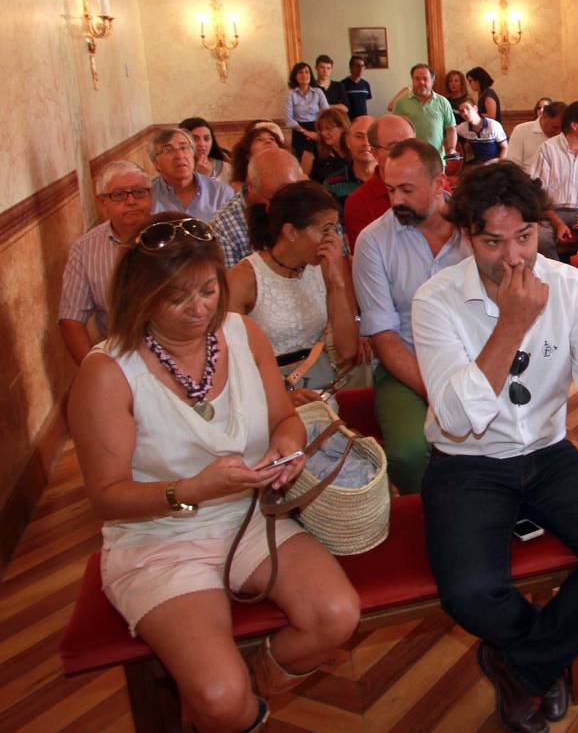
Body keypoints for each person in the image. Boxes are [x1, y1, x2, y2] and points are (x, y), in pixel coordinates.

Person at [68, 212, 359, 732]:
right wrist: (194, 489)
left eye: (208, 291)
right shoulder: (108, 372)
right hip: (159, 539)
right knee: (220, 696)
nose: (200, 309)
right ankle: (229, 705)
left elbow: (285, 419)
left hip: (251, 517)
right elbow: (107, 497)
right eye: (177, 298)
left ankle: (251, 688)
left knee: (336, 616)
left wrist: (286, 450)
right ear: (139, 295)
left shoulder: (243, 333)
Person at [412, 161, 578, 733]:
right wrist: (512, 324)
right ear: (467, 236)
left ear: (538, 228)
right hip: (466, 463)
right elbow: (458, 420)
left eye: (523, 237)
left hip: (548, 454)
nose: (513, 258)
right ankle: (542, 659)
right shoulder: (436, 300)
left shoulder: (570, 287)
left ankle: (520, 666)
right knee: (470, 592)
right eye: (492, 242)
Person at [353, 138, 469, 494]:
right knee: (409, 453)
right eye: (390, 190)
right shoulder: (373, 241)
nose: (396, 201)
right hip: (405, 365)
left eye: (407, 190)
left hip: (474, 360)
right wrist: (438, 392)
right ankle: (429, 512)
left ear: (439, 183)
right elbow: (384, 338)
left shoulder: (474, 229)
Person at [227, 181, 359, 403]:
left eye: (335, 229)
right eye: (325, 230)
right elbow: (229, 358)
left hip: (318, 386)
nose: (332, 240)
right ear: (291, 232)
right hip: (263, 392)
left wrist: (337, 284)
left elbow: (348, 351)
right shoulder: (244, 278)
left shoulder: (324, 267)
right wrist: (279, 396)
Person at [59, 161, 152, 363]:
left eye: (139, 192)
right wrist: (94, 369)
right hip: (123, 358)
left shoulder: (175, 235)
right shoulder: (85, 250)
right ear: (102, 202)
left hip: (181, 352)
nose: (131, 201)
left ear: (150, 195)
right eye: (119, 194)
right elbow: (71, 321)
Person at [534, 101, 578, 260]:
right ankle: (557, 274)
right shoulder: (547, 149)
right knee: (541, 239)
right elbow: (538, 194)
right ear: (574, 125)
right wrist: (558, 223)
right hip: (551, 212)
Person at [209, 148, 305, 269]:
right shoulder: (222, 228)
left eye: (290, 197)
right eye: (273, 199)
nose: (284, 206)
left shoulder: (307, 204)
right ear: (250, 187)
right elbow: (229, 279)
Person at [342, 114, 417, 249]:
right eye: (394, 147)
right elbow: (367, 256)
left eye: (411, 145)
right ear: (375, 153)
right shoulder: (358, 203)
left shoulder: (434, 182)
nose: (407, 154)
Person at [149, 127, 235, 221]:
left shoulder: (222, 193)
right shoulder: (149, 197)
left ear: (193, 154)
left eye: (184, 148)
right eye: (168, 150)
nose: (180, 156)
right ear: (156, 163)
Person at [392, 63, 456, 158]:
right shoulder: (401, 102)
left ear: (432, 81)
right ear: (412, 80)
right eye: (417, 79)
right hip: (409, 158)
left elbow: (450, 128)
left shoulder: (443, 102)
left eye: (425, 79)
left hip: (436, 158)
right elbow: (395, 130)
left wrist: (451, 149)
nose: (421, 82)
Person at [322, 115, 378, 214]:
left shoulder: (393, 180)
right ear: (348, 141)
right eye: (359, 136)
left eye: (370, 137)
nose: (366, 143)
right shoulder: (332, 184)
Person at [284, 61, 329, 162]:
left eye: (307, 72)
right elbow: (288, 120)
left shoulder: (318, 92)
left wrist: (319, 132)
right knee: (302, 162)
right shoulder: (290, 94)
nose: (304, 75)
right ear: (295, 76)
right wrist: (306, 133)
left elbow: (326, 113)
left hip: (317, 129)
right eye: (300, 72)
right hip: (299, 131)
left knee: (321, 161)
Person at [506, 99, 562, 176]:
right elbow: (513, 165)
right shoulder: (521, 130)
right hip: (527, 180)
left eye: (562, 128)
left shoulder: (565, 134)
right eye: (555, 127)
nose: (559, 132)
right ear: (544, 117)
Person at [229, 121, 287, 193]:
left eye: (272, 139)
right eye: (259, 139)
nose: (268, 141)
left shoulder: (292, 180)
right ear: (248, 155)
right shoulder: (238, 188)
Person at [181, 117, 233, 186]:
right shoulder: (175, 169)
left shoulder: (226, 169)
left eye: (206, 138)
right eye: (194, 138)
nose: (202, 144)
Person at [455, 100, 508, 165]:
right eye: (462, 111)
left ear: (475, 108)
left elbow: (505, 147)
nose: (465, 113)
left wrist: (500, 164)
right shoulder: (463, 127)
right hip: (478, 164)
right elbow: (450, 131)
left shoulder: (493, 125)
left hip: (496, 162)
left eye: (468, 108)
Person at [308, 107, 350, 183]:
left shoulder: (353, 149)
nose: (323, 133)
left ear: (342, 127)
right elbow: (304, 177)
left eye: (328, 128)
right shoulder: (313, 148)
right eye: (321, 129)